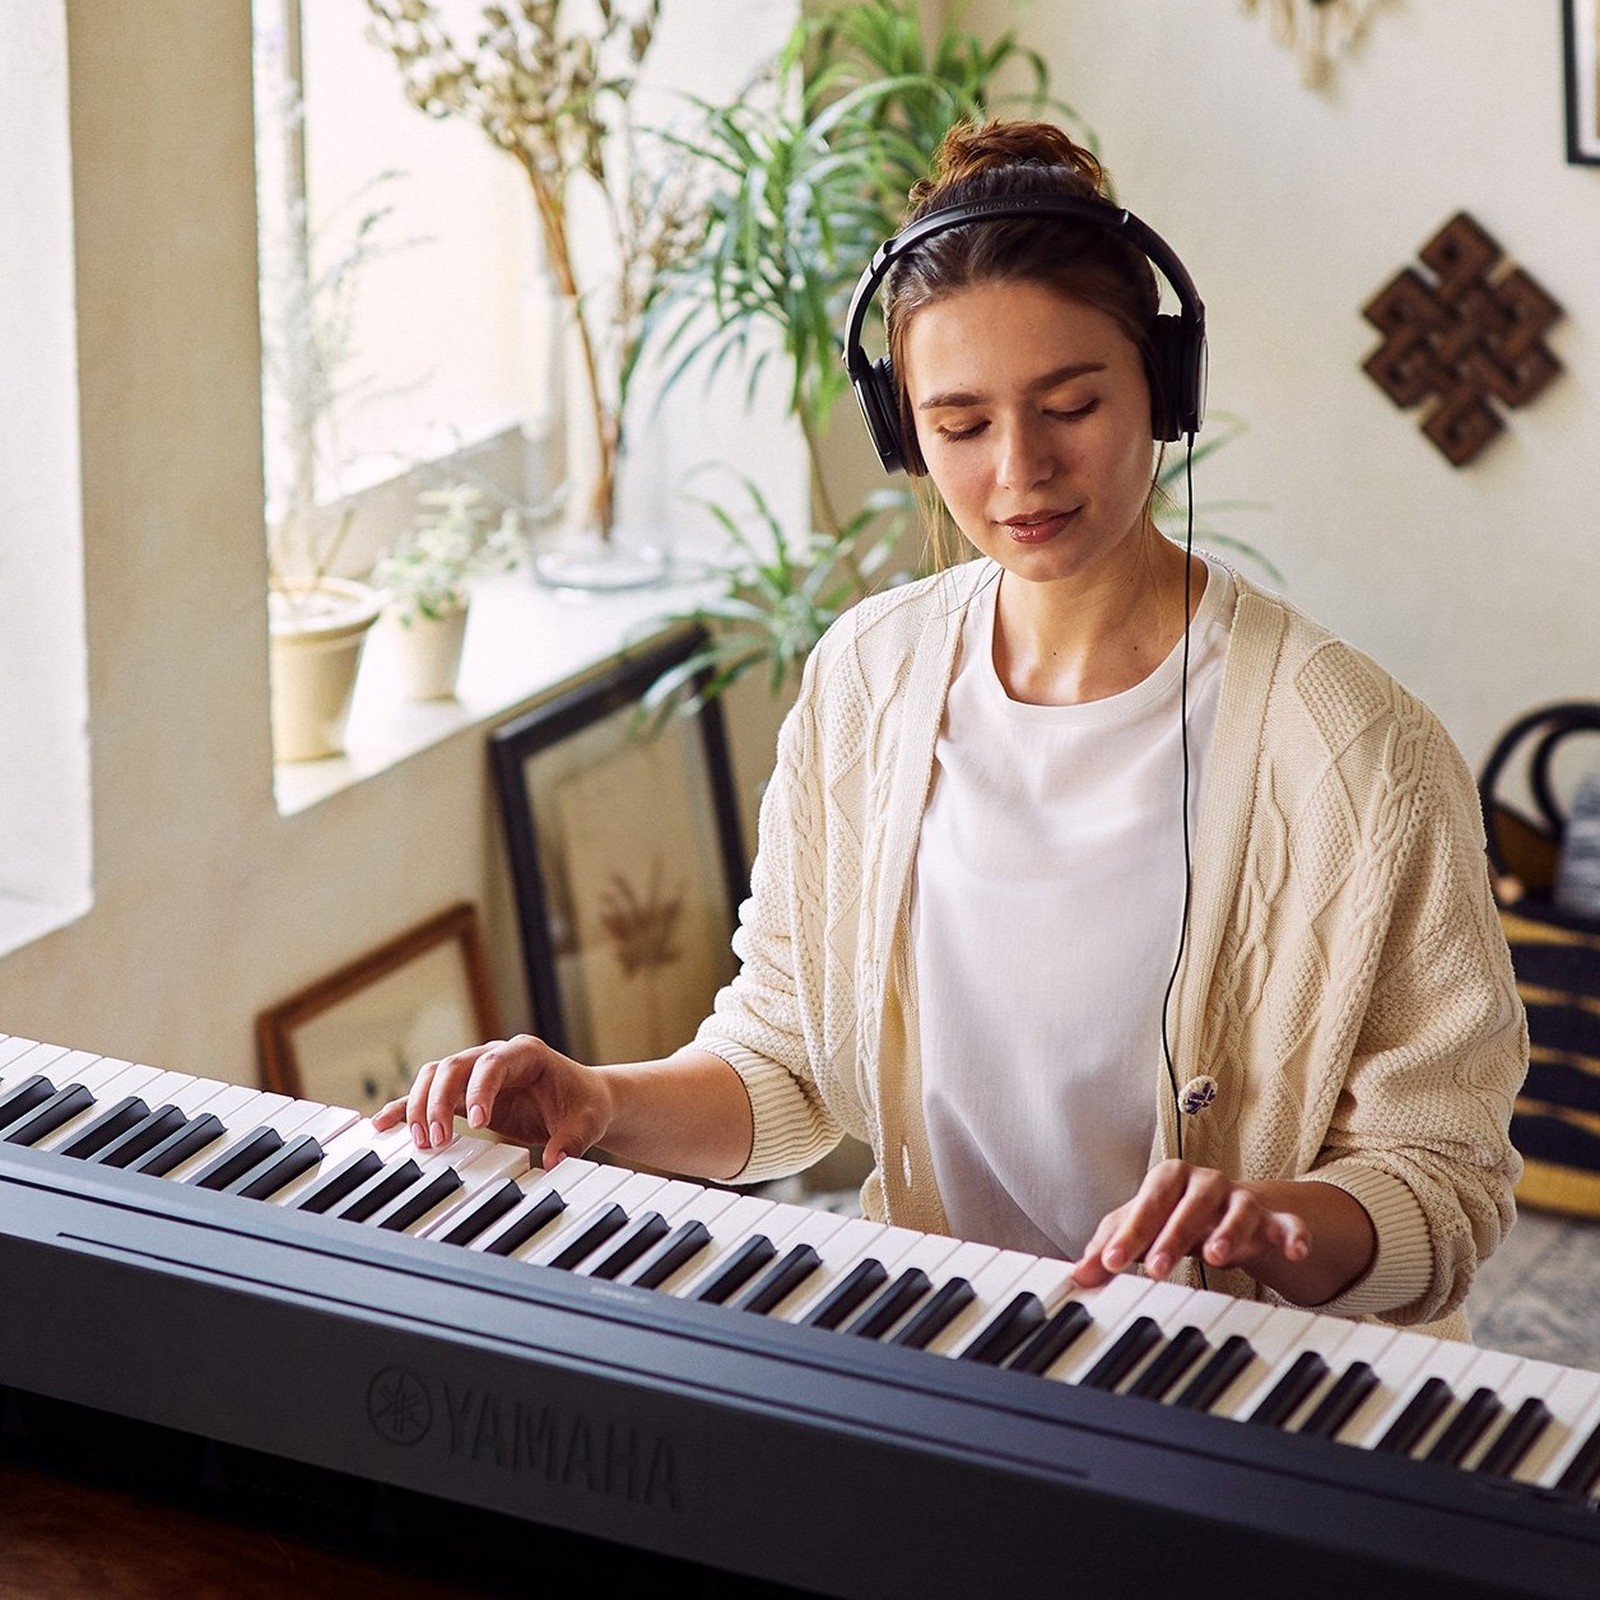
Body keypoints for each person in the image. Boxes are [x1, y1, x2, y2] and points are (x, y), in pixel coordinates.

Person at [376, 119, 1527, 1339]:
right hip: (951, 1357)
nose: (1019, 469)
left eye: (1070, 403)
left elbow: (1443, 1181)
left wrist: (1272, 1226)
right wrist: (600, 1099)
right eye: (962, 425)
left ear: (1164, 388)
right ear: (905, 431)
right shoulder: (866, 679)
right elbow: (788, 1067)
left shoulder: (1358, 751)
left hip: (1252, 1391)